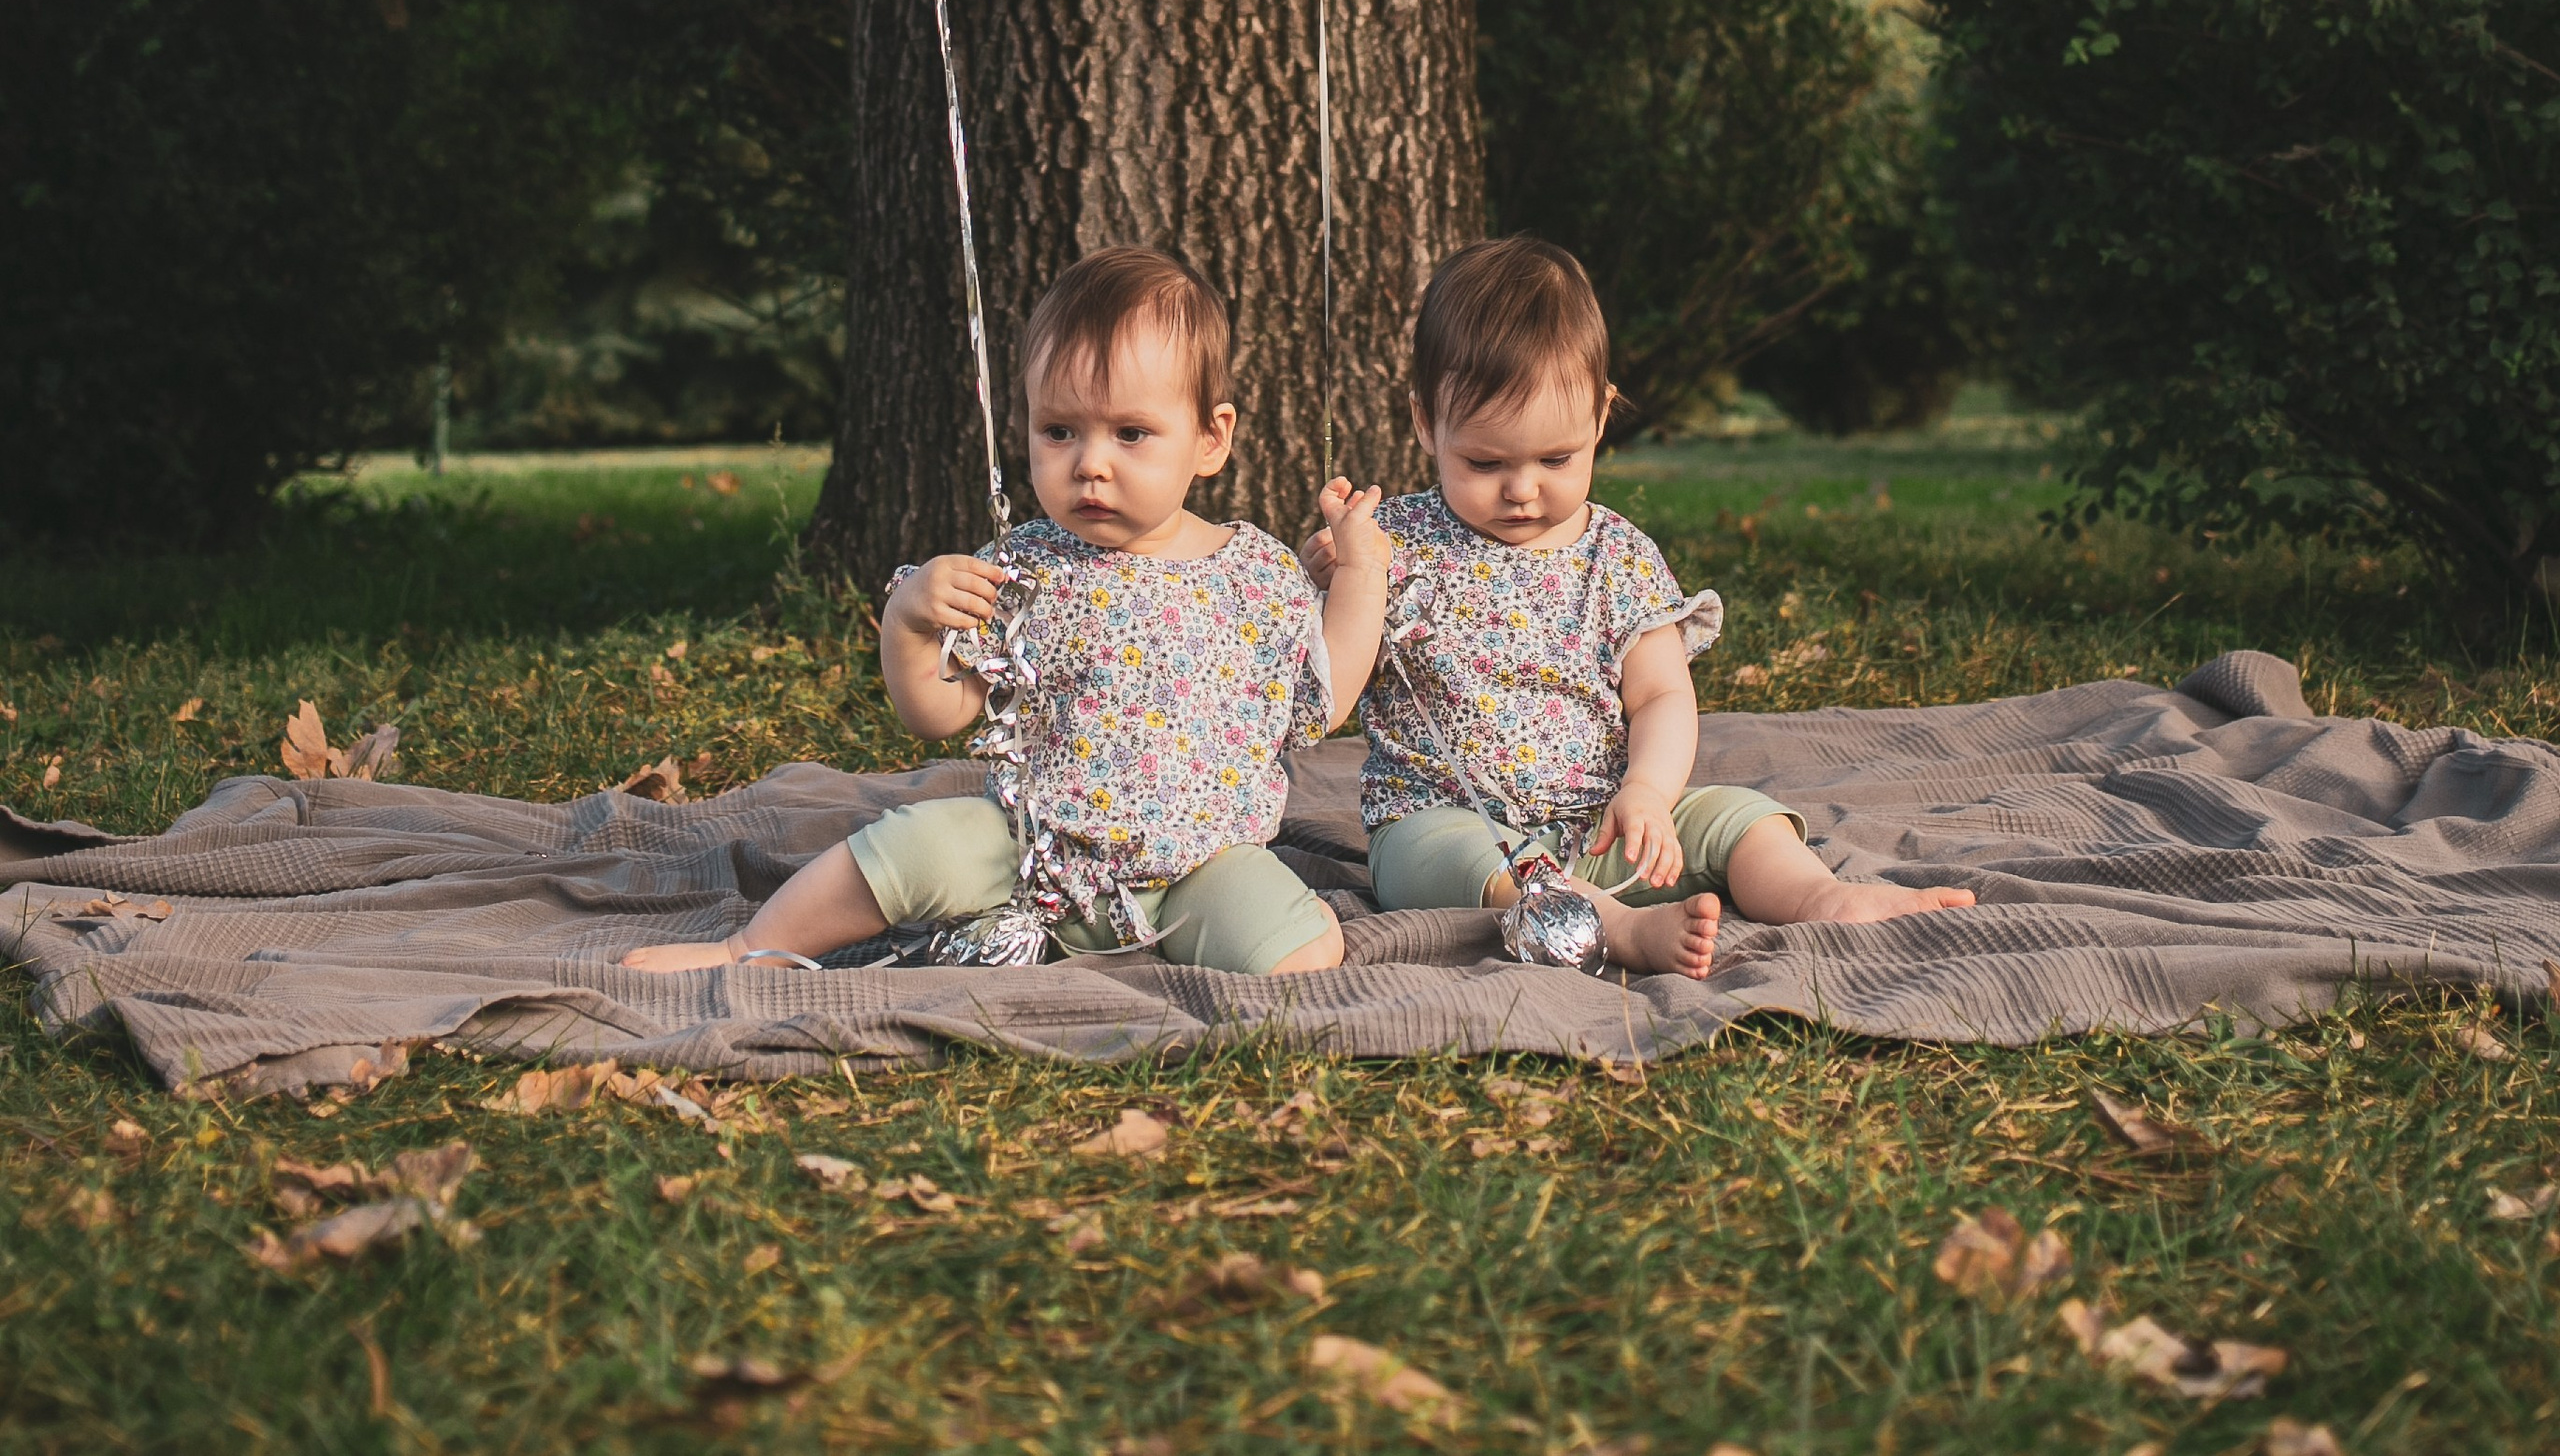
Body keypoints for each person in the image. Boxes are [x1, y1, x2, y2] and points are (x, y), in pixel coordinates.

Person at [622, 246, 1388, 976]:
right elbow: (939, 712)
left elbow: (1321, 697)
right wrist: (911, 623)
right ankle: (749, 947)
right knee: (914, 845)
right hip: (1027, 849)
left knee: (1299, 955)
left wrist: (1360, 576)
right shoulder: (1024, 566)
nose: (1090, 461)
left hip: (1204, 863)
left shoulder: (1252, 571)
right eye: (1059, 430)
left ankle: (1216, 928)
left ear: (1210, 438)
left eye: (1131, 433)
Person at [1306, 234, 1975, 978]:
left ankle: (1816, 894)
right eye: (1485, 462)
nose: (1522, 488)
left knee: (1737, 820)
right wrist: (1346, 580)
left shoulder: (1619, 557)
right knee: (1443, 857)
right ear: (1426, 423)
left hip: (1605, 819)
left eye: (1554, 459)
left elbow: (1659, 691)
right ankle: (1615, 928)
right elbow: (1333, 679)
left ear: (1600, 414)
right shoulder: (1392, 543)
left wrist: (1648, 793)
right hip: (1454, 824)